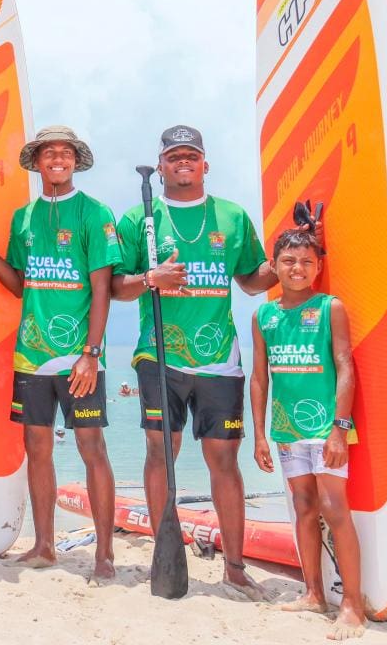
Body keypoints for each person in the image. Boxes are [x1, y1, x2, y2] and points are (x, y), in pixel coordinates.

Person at [111, 125, 282, 600]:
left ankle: (235, 567)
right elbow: (116, 287)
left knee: (223, 459)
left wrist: (289, 256)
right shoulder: (139, 219)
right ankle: (161, 552)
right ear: (160, 165)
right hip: (158, 354)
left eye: (191, 155)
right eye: (173, 156)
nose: (182, 161)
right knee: (159, 451)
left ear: (205, 164)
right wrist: (151, 278)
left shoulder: (231, 215)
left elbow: (252, 280)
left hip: (219, 360)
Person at [0, 126, 120, 581]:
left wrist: (91, 353)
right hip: (31, 356)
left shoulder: (95, 213)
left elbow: (102, 289)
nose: (57, 159)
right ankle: (44, 546)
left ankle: (105, 554)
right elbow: (19, 285)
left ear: (75, 161)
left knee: (92, 447)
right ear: (36, 162)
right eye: (49, 153)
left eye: (65, 153)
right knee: (37, 449)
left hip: (79, 358)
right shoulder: (24, 218)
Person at [250, 229, 366, 640]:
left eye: (306, 262)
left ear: (318, 267)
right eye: (288, 261)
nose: (297, 269)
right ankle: (314, 594)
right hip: (286, 428)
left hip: (325, 427)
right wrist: (260, 434)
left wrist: (340, 428)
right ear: (274, 266)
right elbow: (260, 377)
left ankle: (352, 605)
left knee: (334, 509)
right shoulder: (263, 315)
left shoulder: (330, 307)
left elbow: (345, 366)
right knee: (303, 507)